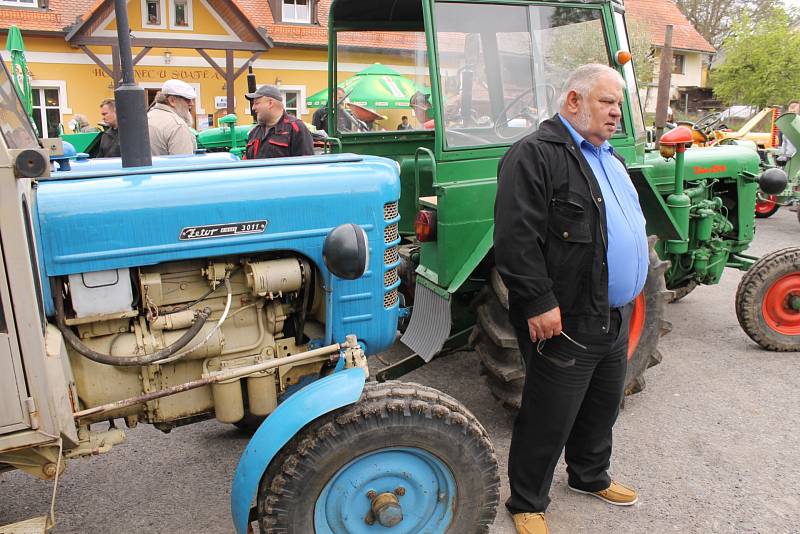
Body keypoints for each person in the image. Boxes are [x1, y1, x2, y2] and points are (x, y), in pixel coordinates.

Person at [494, 63, 649, 534]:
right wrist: (539, 302)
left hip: (614, 313)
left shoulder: (610, 158)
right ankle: (526, 501)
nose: (616, 113)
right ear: (574, 101)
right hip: (566, 317)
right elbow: (515, 239)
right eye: (607, 102)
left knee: (603, 405)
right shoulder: (534, 155)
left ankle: (589, 475)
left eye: (619, 104)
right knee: (549, 414)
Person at [243, 84, 313, 159]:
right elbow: (246, 162)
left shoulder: (296, 128)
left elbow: (306, 165)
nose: (253, 108)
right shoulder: (254, 132)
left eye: (256, 103)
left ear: (270, 103)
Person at [147, 79, 197, 156]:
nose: (192, 104)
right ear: (172, 101)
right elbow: (184, 165)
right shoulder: (178, 126)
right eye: (187, 99)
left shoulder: (146, 117)